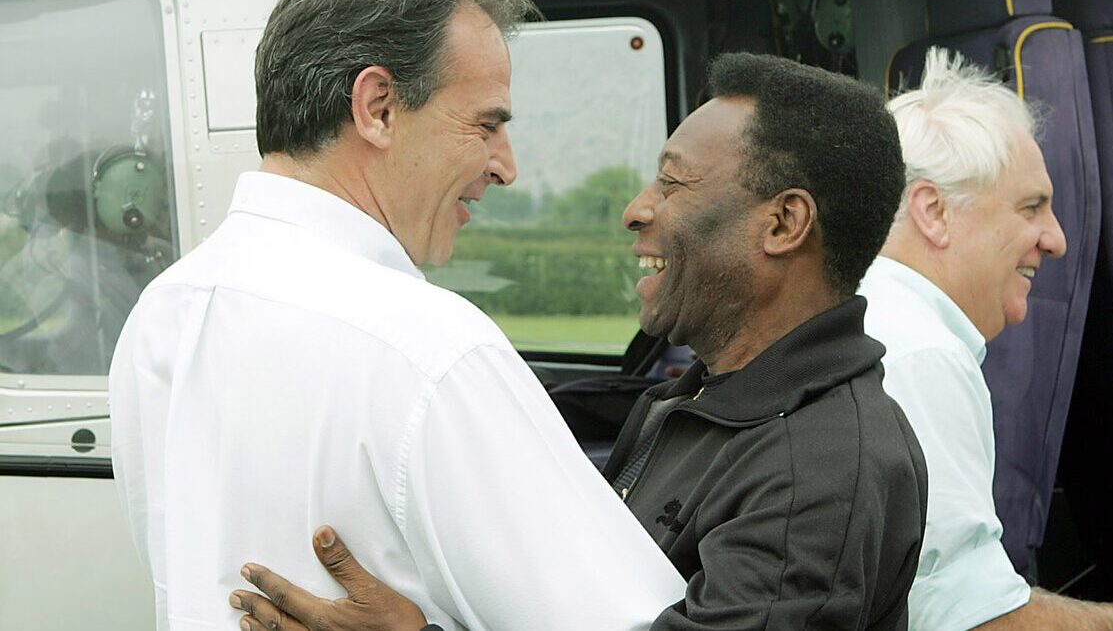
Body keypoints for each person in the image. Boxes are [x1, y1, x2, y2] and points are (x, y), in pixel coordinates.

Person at [229, 53, 929, 630]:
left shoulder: (818, 468)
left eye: (673, 182)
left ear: (783, 225)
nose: (636, 209)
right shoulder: (698, 402)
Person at [108, 0, 687, 630]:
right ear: (378, 108)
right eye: (486, 124)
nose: (506, 166)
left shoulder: (160, 316)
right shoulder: (429, 348)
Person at [858, 46, 1113, 631]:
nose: (1057, 239)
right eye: (1031, 207)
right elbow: (969, 619)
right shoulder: (919, 354)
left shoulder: (868, 318)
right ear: (933, 211)